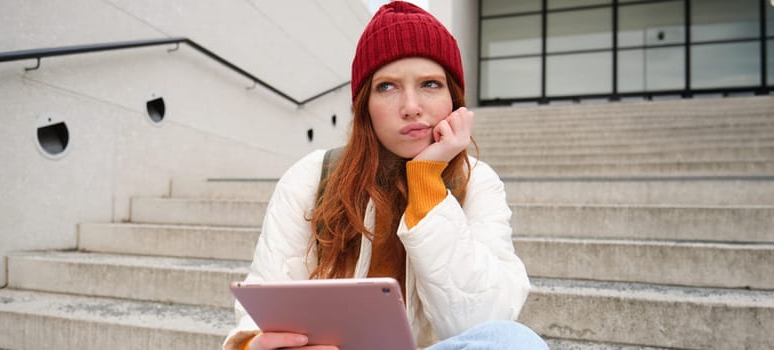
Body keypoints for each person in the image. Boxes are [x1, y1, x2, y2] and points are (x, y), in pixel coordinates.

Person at [223, 2, 548, 349]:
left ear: (454, 98)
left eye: (430, 84)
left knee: (514, 341)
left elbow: (478, 321)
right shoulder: (311, 176)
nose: (411, 106)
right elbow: (262, 307)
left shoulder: (477, 182)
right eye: (388, 87)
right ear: (365, 104)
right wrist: (254, 345)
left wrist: (427, 183)